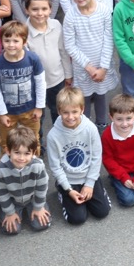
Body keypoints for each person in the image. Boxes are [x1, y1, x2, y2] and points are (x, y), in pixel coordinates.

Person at [46, 88, 110, 226]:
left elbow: (96, 157)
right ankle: (61, 192)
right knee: (77, 219)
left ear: (82, 109)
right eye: (65, 112)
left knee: (102, 212)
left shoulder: (90, 129)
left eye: (74, 111)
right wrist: (68, 190)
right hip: (69, 180)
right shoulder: (53, 136)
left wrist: (89, 184)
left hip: (88, 176)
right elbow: (55, 167)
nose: (70, 117)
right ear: (58, 111)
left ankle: (96, 189)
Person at [62, 0, 118, 131]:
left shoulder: (104, 11)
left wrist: (103, 68)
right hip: (83, 68)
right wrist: (89, 67)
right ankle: (84, 127)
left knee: (101, 95)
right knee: (83, 97)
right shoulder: (71, 16)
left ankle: (101, 124)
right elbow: (70, 45)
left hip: (102, 65)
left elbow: (109, 39)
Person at [0, 20, 46, 156]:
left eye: (16, 41)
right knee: (6, 142)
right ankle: (6, 172)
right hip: (8, 112)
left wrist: (39, 107)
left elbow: (41, 83)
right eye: (7, 40)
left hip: (30, 110)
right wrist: (1, 113)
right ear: (1, 41)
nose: (11, 45)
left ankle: (33, 168)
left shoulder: (32, 59)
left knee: (33, 141)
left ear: (24, 41)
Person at [23, 0, 70, 126]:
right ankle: (38, 145)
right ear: (27, 10)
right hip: (35, 84)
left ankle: (61, 138)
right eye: (35, 9)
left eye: (44, 9)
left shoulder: (56, 25)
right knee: (37, 117)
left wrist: (68, 75)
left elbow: (63, 51)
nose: (40, 13)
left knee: (59, 112)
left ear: (50, 9)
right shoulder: (23, 32)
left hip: (57, 79)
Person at [0, 124, 51, 234]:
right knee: (11, 230)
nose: (21, 158)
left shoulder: (38, 166)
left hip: (32, 199)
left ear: (33, 153)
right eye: (17, 152)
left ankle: (36, 208)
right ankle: (7, 212)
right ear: (8, 151)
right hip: (13, 201)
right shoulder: (0, 170)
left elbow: (42, 188)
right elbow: (2, 193)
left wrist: (38, 207)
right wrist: (10, 212)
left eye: (27, 153)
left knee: (41, 225)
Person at [101, 94, 134, 207]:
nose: (124, 124)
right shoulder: (107, 135)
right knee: (129, 200)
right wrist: (123, 177)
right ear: (111, 117)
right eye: (119, 119)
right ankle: (115, 180)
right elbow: (107, 159)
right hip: (120, 171)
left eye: (128, 118)